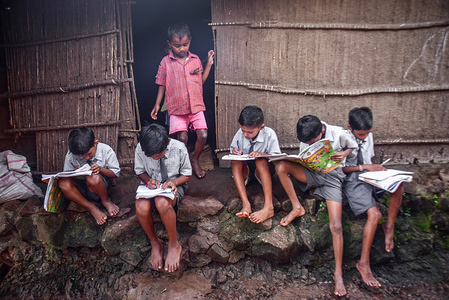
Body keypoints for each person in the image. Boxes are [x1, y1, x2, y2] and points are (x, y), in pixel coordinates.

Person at [275, 115, 356, 297]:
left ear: (322, 131)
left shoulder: (338, 133)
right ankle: (297, 207)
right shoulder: (307, 136)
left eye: (313, 141)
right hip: (312, 173)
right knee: (281, 166)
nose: (310, 143)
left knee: (335, 226)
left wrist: (343, 154)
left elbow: (353, 145)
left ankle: (338, 274)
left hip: (332, 179)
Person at [342, 106, 403, 288]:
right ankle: (363, 264)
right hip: (352, 178)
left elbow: (369, 160)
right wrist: (364, 167)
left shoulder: (368, 136)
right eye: (360, 135)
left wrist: (375, 167)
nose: (364, 137)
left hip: (370, 175)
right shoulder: (342, 140)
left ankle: (389, 228)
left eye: (367, 134)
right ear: (349, 127)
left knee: (398, 184)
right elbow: (341, 169)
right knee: (374, 215)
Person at [150, 22, 214, 179]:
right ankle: (184, 163)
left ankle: (195, 160)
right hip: (177, 108)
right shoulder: (166, 62)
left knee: (203, 135)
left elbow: (200, 82)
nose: (182, 48)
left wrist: (209, 65)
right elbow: (161, 84)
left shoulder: (196, 60)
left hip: (196, 106)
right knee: (182, 139)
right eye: (177, 45)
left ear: (190, 41)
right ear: (170, 44)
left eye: (185, 44)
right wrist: (157, 104)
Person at [134, 123, 192, 272]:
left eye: (158, 155)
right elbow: (139, 171)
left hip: (174, 186)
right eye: (150, 156)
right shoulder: (141, 147)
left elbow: (187, 175)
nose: (154, 158)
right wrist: (148, 180)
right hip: (151, 187)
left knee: (162, 203)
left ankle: (173, 244)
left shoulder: (179, 148)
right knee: (140, 207)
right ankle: (155, 242)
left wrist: (174, 182)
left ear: (167, 143)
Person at [230, 105, 282, 224]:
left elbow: (277, 158)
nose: (245, 134)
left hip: (263, 171)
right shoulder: (240, 133)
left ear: (261, 127)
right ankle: (245, 203)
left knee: (260, 160)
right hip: (246, 170)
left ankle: (269, 207)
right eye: (243, 130)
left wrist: (263, 154)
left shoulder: (269, 134)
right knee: (235, 161)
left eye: (250, 132)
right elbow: (233, 147)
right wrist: (235, 151)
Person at [58, 127, 121, 225]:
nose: (86, 157)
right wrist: (75, 173)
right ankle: (91, 207)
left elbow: (115, 174)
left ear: (96, 142)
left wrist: (100, 169)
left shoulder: (106, 150)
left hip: (99, 188)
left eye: (89, 154)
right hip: (81, 190)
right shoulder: (71, 155)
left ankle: (106, 201)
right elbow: (67, 175)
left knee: (93, 177)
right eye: (81, 156)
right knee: (63, 183)